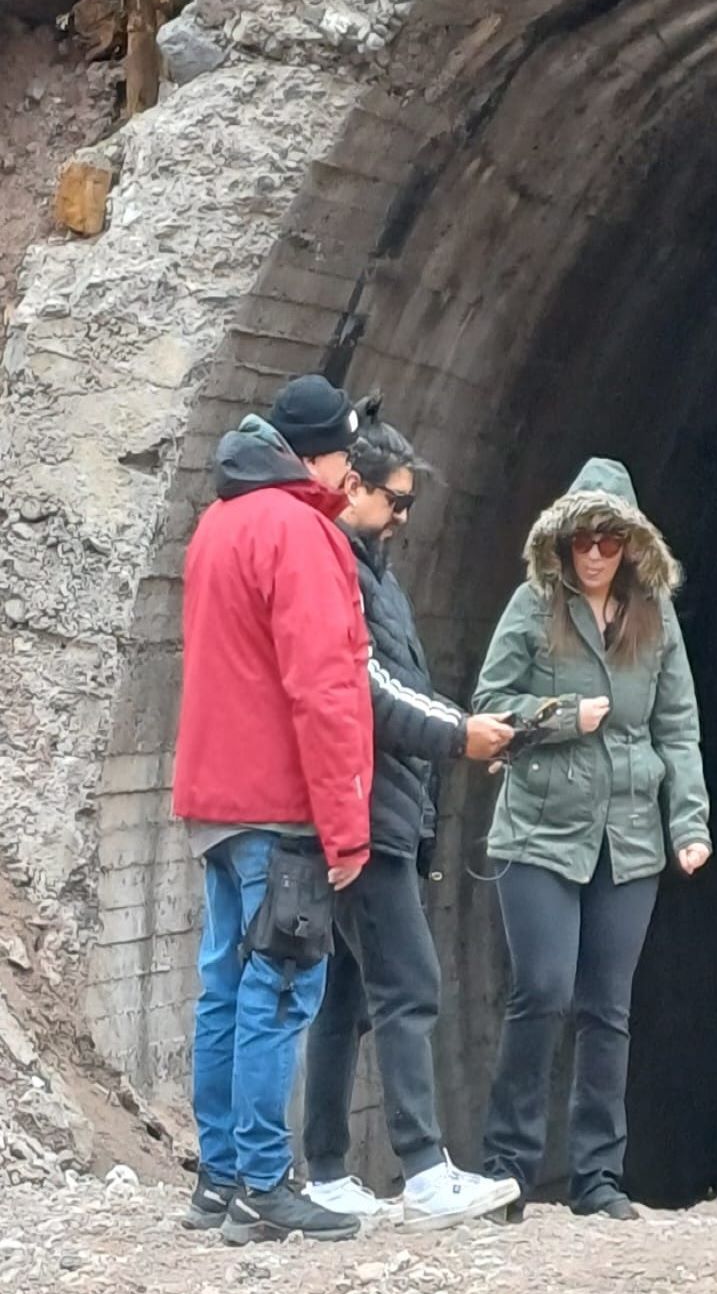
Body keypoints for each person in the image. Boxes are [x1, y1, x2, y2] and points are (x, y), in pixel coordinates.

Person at [473, 457, 712, 1222]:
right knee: (542, 990)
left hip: (630, 835)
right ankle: (508, 1167)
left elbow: (678, 725)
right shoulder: (532, 606)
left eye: (610, 538)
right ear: (564, 541)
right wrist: (558, 716)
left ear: (633, 544)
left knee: (607, 1007)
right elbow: (487, 709)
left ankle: (598, 1177)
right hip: (538, 830)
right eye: (584, 538)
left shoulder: (657, 618)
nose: (597, 552)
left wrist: (690, 822)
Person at [302, 400, 521, 1230]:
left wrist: (465, 733)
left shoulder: (372, 570)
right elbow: (368, 692)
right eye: (395, 501)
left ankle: (325, 1168)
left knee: (345, 992)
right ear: (352, 484)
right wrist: (457, 735)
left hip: (379, 802)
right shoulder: (343, 570)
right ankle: (425, 1170)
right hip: (364, 810)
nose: (402, 519)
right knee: (409, 985)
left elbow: (400, 681)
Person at [173, 374, 374, 1244]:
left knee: (224, 986)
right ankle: (264, 1180)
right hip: (279, 805)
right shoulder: (301, 533)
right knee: (283, 987)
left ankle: (217, 1178)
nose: (349, 469)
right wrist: (346, 823)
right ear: (318, 452)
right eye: (346, 452)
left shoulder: (218, 524)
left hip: (216, 801)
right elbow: (325, 689)